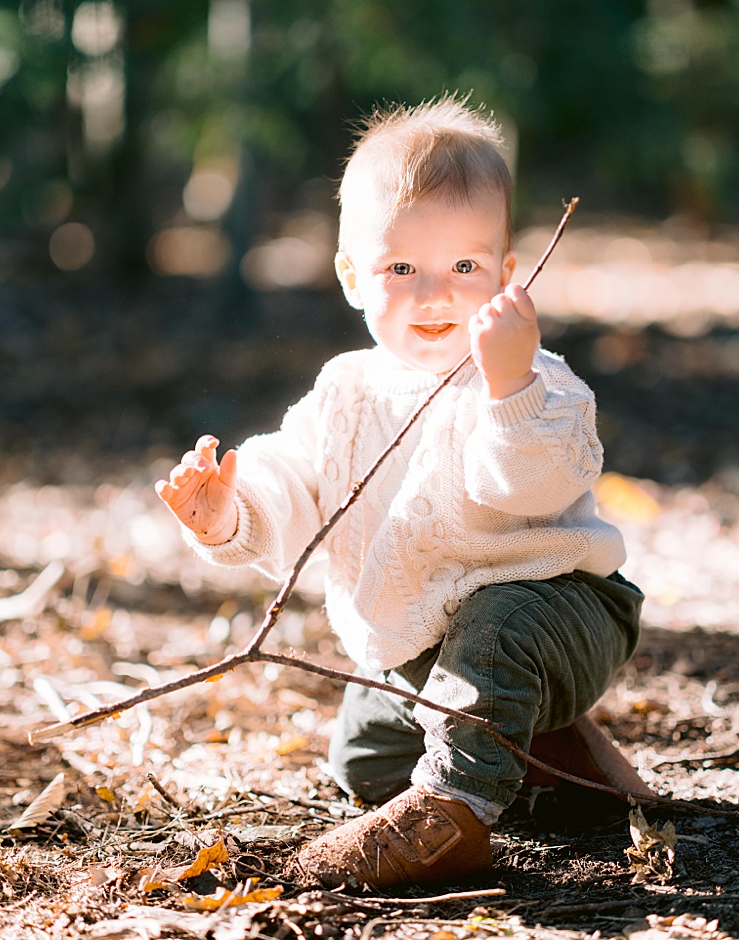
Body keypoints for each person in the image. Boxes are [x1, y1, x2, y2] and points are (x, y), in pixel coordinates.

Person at [155, 96, 647, 889]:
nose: (436, 295)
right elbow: (292, 479)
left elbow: (532, 486)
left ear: (506, 275)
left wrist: (510, 384)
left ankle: (453, 812)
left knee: (498, 622)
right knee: (363, 756)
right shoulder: (344, 390)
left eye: (464, 267)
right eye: (401, 268)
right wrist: (228, 514)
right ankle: (546, 754)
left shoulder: (537, 385)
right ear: (352, 277)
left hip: (564, 613)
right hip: (419, 650)